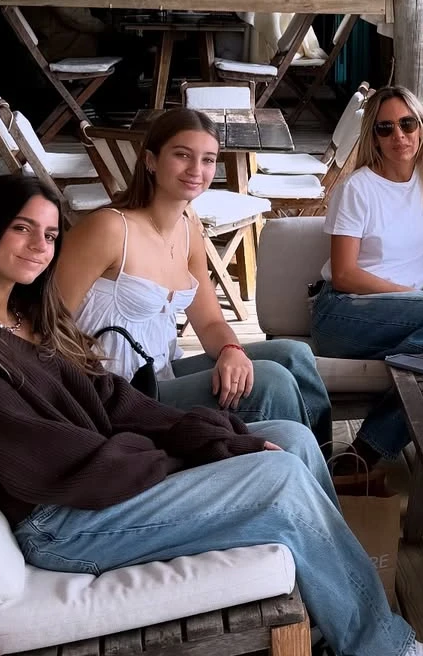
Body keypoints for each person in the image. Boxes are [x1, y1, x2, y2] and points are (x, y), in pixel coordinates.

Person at [0, 172, 423, 656]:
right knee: (279, 479)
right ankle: (383, 648)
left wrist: (212, 437)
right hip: (65, 522)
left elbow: (114, 401)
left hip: (101, 487)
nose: (41, 245)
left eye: (51, 234)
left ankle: (329, 621)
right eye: (22, 228)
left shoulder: (28, 319)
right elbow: (61, 463)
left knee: (293, 439)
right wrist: (193, 456)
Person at [54, 108, 333, 453]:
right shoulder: (111, 228)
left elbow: (211, 321)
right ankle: (288, 473)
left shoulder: (188, 227)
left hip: (161, 373)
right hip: (117, 396)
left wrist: (231, 349)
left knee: (293, 355)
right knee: (271, 382)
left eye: (207, 159)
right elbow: (47, 320)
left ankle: (330, 465)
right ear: (151, 161)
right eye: (182, 155)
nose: (196, 170)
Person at [311, 85, 423, 468]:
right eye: (385, 128)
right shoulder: (356, 190)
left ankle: (361, 458)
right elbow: (343, 274)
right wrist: (410, 296)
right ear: (372, 135)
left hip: (403, 317)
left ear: (422, 126)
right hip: (345, 313)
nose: (399, 136)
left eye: (407, 124)